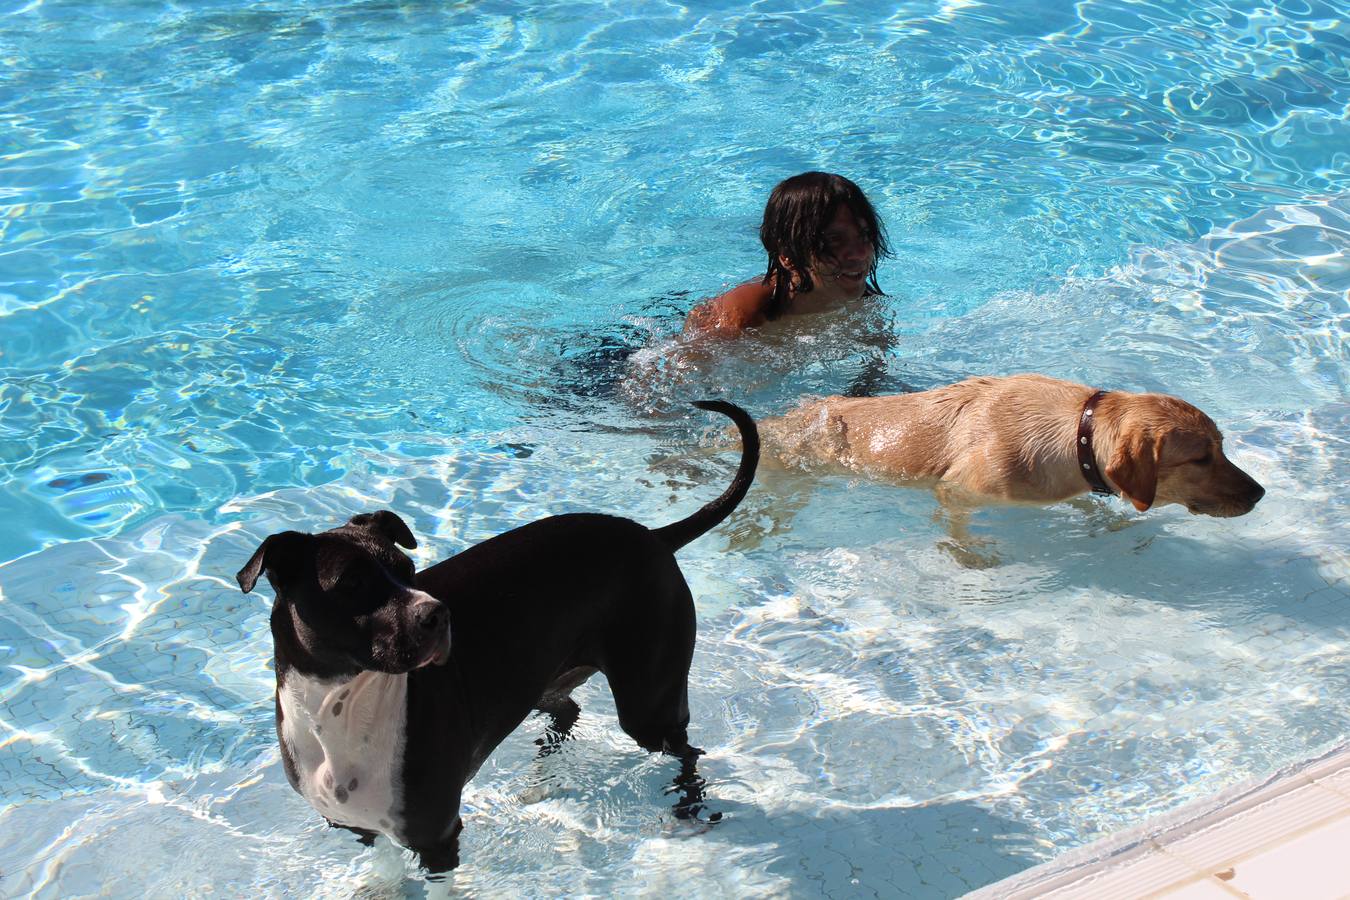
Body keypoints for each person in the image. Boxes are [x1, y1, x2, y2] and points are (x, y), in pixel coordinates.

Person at [682, 171, 892, 340]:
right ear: (788, 255)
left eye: (864, 235)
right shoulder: (744, 311)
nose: (861, 253)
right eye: (835, 240)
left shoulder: (868, 306)